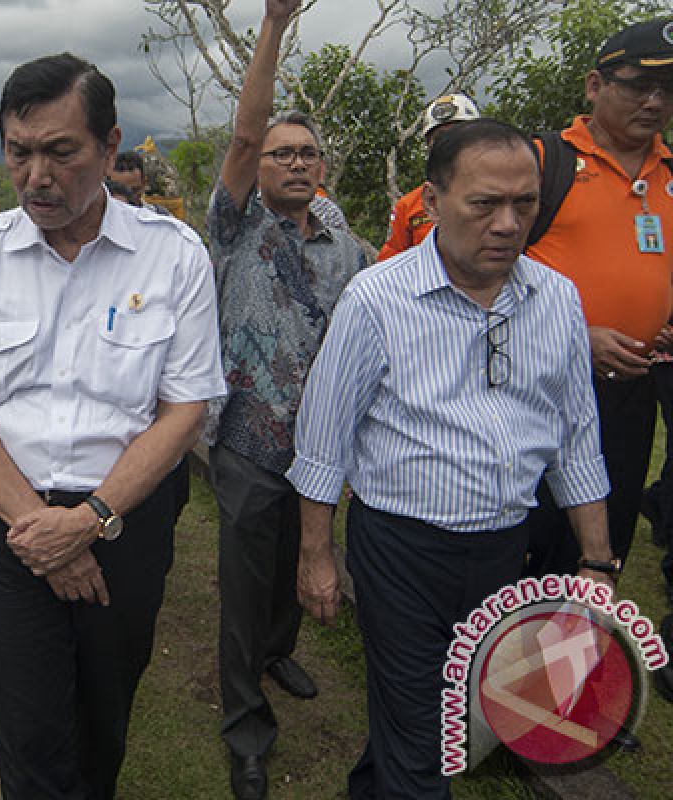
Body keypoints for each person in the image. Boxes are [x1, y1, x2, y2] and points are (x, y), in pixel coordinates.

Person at [0, 52, 226, 798]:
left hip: (126, 524)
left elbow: (184, 409)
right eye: (20, 152)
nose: (37, 176)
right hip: (6, 527)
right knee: (29, 726)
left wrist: (91, 520)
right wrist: (44, 532)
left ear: (110, 148)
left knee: (103, 710)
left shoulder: (172, 256)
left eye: (61, 151)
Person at [288, 119, 613, 800]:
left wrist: (596, 560)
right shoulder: (377, 299)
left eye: (524, 204)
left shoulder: (554, 300)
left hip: (502, 549)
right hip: (401, 550)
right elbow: (323, 438)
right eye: (484, 204)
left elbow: (577, 439)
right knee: (424, 733)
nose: (506, 224)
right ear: (432, 203)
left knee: (444, 705)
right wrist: (316, 555)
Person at [207, 5, 365, 799]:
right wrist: (273, 24)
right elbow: (243, 134)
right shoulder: (234, 226)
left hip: (322, 449)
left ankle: (278, 651)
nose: (295, 163)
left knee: (293, 575)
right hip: (243, 441)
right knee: (243, 588)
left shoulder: (349, 246)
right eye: (281, 153)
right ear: (258, 165)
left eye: (308, 153)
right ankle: (246, 730)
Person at [524, 19, 673, 589]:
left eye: (667, 89)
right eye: (637, 86)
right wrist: (575, 336)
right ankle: (489, 667)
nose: (654, 101)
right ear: (594, 84)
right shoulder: (543, 162)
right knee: (528, 538)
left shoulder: (668, 172)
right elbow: (477, 276)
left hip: (629, 395)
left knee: (598, 546)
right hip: (539, 386)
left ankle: (567, 664)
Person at [377, 93, 480, 261]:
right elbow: (389, 263)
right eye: (440, 138)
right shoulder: (409, 206)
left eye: (458, 134)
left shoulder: (509, 195)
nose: (450, 144)